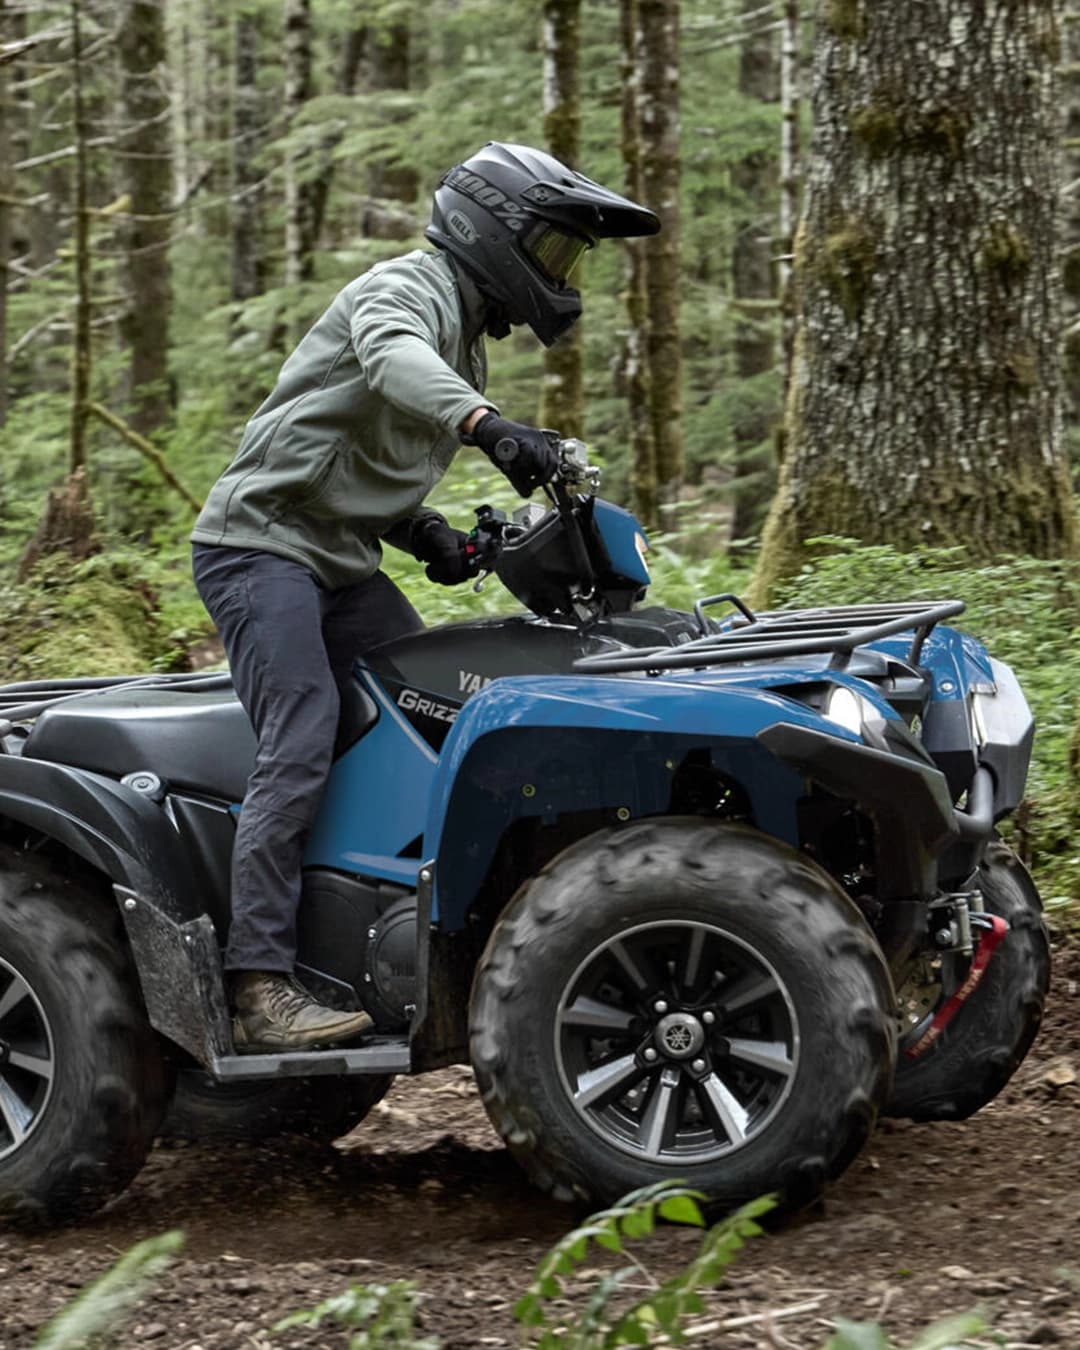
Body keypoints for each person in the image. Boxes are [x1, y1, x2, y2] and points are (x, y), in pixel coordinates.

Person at [191, 141, 659, 1053]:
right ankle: (258, 983)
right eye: (552, 249)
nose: (559, 273)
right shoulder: (406, 289)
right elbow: (391, 360)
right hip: (260, 547)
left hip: (337, 559)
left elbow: (361, 454)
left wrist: (428, 534)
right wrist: (487, 427)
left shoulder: (467, 344)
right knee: (304, 730)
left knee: (432, 709)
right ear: (492, 231)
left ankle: (379, 927)